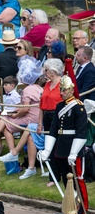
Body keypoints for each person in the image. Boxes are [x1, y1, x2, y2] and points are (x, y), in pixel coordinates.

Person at [39, 75, 89, 207]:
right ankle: (69, 207)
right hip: (61, 147)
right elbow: (54, 129)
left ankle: (82, 209)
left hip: (73, 148)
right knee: (66, 180)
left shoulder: (79, 107)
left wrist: (73, 153)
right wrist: (47, 150)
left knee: (77, 180)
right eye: (60, 90)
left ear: (71, 90)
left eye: (64, 90)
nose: (61, 93)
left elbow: (81, 132)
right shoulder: (60, 106)